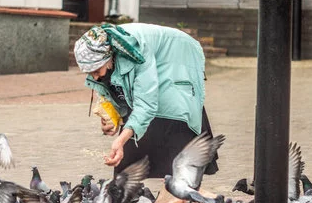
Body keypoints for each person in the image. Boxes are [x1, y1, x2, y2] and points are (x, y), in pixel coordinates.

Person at [73, 23, 219, 178]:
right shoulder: (107, 52)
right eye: (89, 73)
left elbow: (147, 105)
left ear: (108, 56)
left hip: (177, 58)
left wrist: (121, 140)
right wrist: (115, 117)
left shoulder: (136, 51)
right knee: (133, 134)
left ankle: (178, 192)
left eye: (96, 71)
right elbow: (120, 90)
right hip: (155, 57)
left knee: (171, 115)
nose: (95, 77)